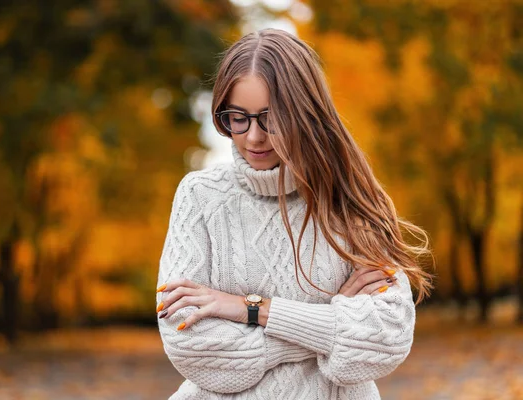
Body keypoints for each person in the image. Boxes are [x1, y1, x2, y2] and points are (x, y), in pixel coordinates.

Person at [155, 28, 433, 400]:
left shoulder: (351, 200)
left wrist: (248, 309)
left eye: (271, 119)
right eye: (238, 118)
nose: (254, 136)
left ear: (306, 113)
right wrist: (329, 324)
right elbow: (189, 345)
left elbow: (386, 338)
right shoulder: (200, 197)